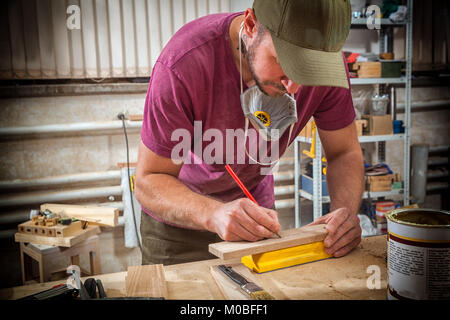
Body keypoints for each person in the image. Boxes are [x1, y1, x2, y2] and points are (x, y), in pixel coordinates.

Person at [135, 0, 364, 266]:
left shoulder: (328, 66)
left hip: (257, 218)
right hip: (177, 228)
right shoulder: (183, 63)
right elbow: (149, 179)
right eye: (282, 61)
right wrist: (213, 213)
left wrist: (344, 212)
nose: (294, 87)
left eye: (309, 70)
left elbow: (344, 152)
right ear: (251, 25)